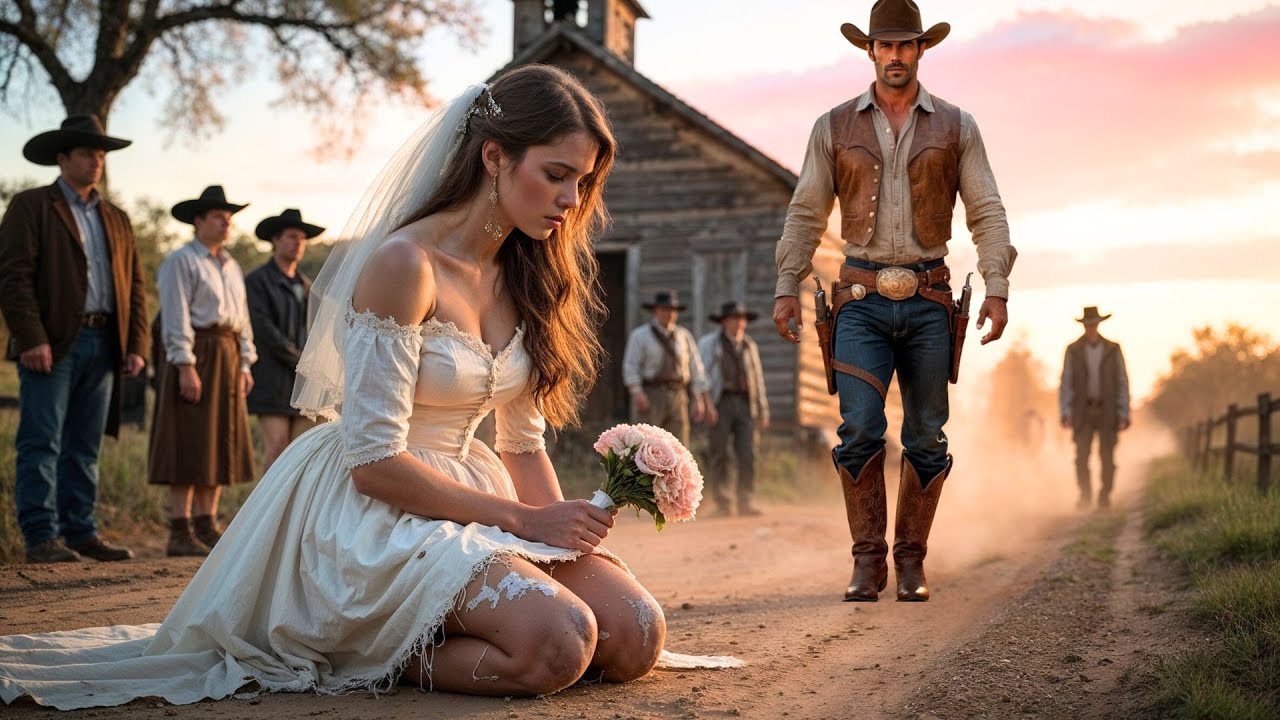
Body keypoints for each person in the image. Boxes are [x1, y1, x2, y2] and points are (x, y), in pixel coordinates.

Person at [0, 65, 668, 709]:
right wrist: (523, 522)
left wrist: (561, 537)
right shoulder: (406, 264)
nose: (572, 201)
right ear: (494, 156)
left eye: (582, 182)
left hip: (477, 496)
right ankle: (369, 652)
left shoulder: (529, 275)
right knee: (559, 645)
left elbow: (521, 445)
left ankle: (474, 619)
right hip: (379, 508)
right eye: (556, 175)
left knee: (636, 632)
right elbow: (373, 462)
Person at [773, 0, 1017, 602]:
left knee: (928, 435)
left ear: (921, 51)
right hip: (858, 297)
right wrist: (786, 283)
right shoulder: (833, 126)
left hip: (932, 295)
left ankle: (911, 561)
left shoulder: (958, 125)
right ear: (870, 51)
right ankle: (867, 562)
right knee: (859, 427)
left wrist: (997, 286)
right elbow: (807, 209)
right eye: (886, 46)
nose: (896, 56)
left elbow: (985, 208)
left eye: (907, 45)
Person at [0, 115, 148, 564]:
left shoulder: (117, 218)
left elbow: (134, 286)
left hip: (105, 344)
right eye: (87, 153)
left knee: (85, 444)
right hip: (52, 344)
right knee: (42, 439)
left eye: (101, 154)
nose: (96, 161)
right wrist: (31, 338)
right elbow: (12, 277)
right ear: (62, 158)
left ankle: (81, 532)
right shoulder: (31, 206)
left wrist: (136, 345)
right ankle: (41, 535)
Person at [149, 186, 257, 557]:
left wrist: (245, 362)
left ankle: (206, 524)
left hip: (228, 355)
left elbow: (242, 320)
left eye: (228, 217)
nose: (226, 222)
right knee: (189, 438)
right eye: (218, 216)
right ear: (198, 221)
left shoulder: (231, 266)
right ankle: (179, 530)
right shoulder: (181, 261)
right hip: (198, 353)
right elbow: (175, 316)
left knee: (220, 441)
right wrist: (184, 364)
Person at [245, 208, 324, 470]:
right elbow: (264, 330)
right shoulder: (257, 281)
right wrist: (301, 359)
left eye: (301, 238)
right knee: (277, 449)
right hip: (271, 379)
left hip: (302, 382)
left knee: (300, 454)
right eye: (291, 236)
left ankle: (294, 512)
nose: (297, 243)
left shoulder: (307, 286)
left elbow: (317, 331)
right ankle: (269, 511)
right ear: (275, 240)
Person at [698, 301, 769, 516]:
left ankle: (745, 501)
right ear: (724, 321)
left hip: (745, 404)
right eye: (734, 318)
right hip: (721, 402)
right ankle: (723, 503)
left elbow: (758, 379)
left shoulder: (749, 346)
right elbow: (702, 378)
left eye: (742, 319)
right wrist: (707, 404)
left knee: (748, 453)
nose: (738, 323)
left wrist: (762, 409)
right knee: (720, 453)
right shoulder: (710, 344)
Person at [1059, 306, 1130, 510]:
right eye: (1088, 325)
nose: (1091, 328)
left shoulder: (1113, 349)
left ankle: (1104, 495)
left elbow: (1122, 382)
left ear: (1098, 324)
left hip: (1107, 411)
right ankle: (1085, 495)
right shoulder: (1073, 350)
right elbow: (1066, 381)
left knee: (1107, 456)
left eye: (1093, 324)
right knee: (1081, 457)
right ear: (1084, 326)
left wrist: (1123, 411)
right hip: (1082, 411)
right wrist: (1065, 411)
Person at [621, 289, 713, 446]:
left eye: (672, 310)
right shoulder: (640, 336)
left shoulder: (684, 336)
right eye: (665, 309)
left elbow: (696, 367)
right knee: (646, 444)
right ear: (656, 311)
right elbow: (630, 365)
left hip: (679, 394)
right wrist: (636, 391)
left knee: (678, 445)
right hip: (652, 393)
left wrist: (698, 397)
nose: (669, 314)